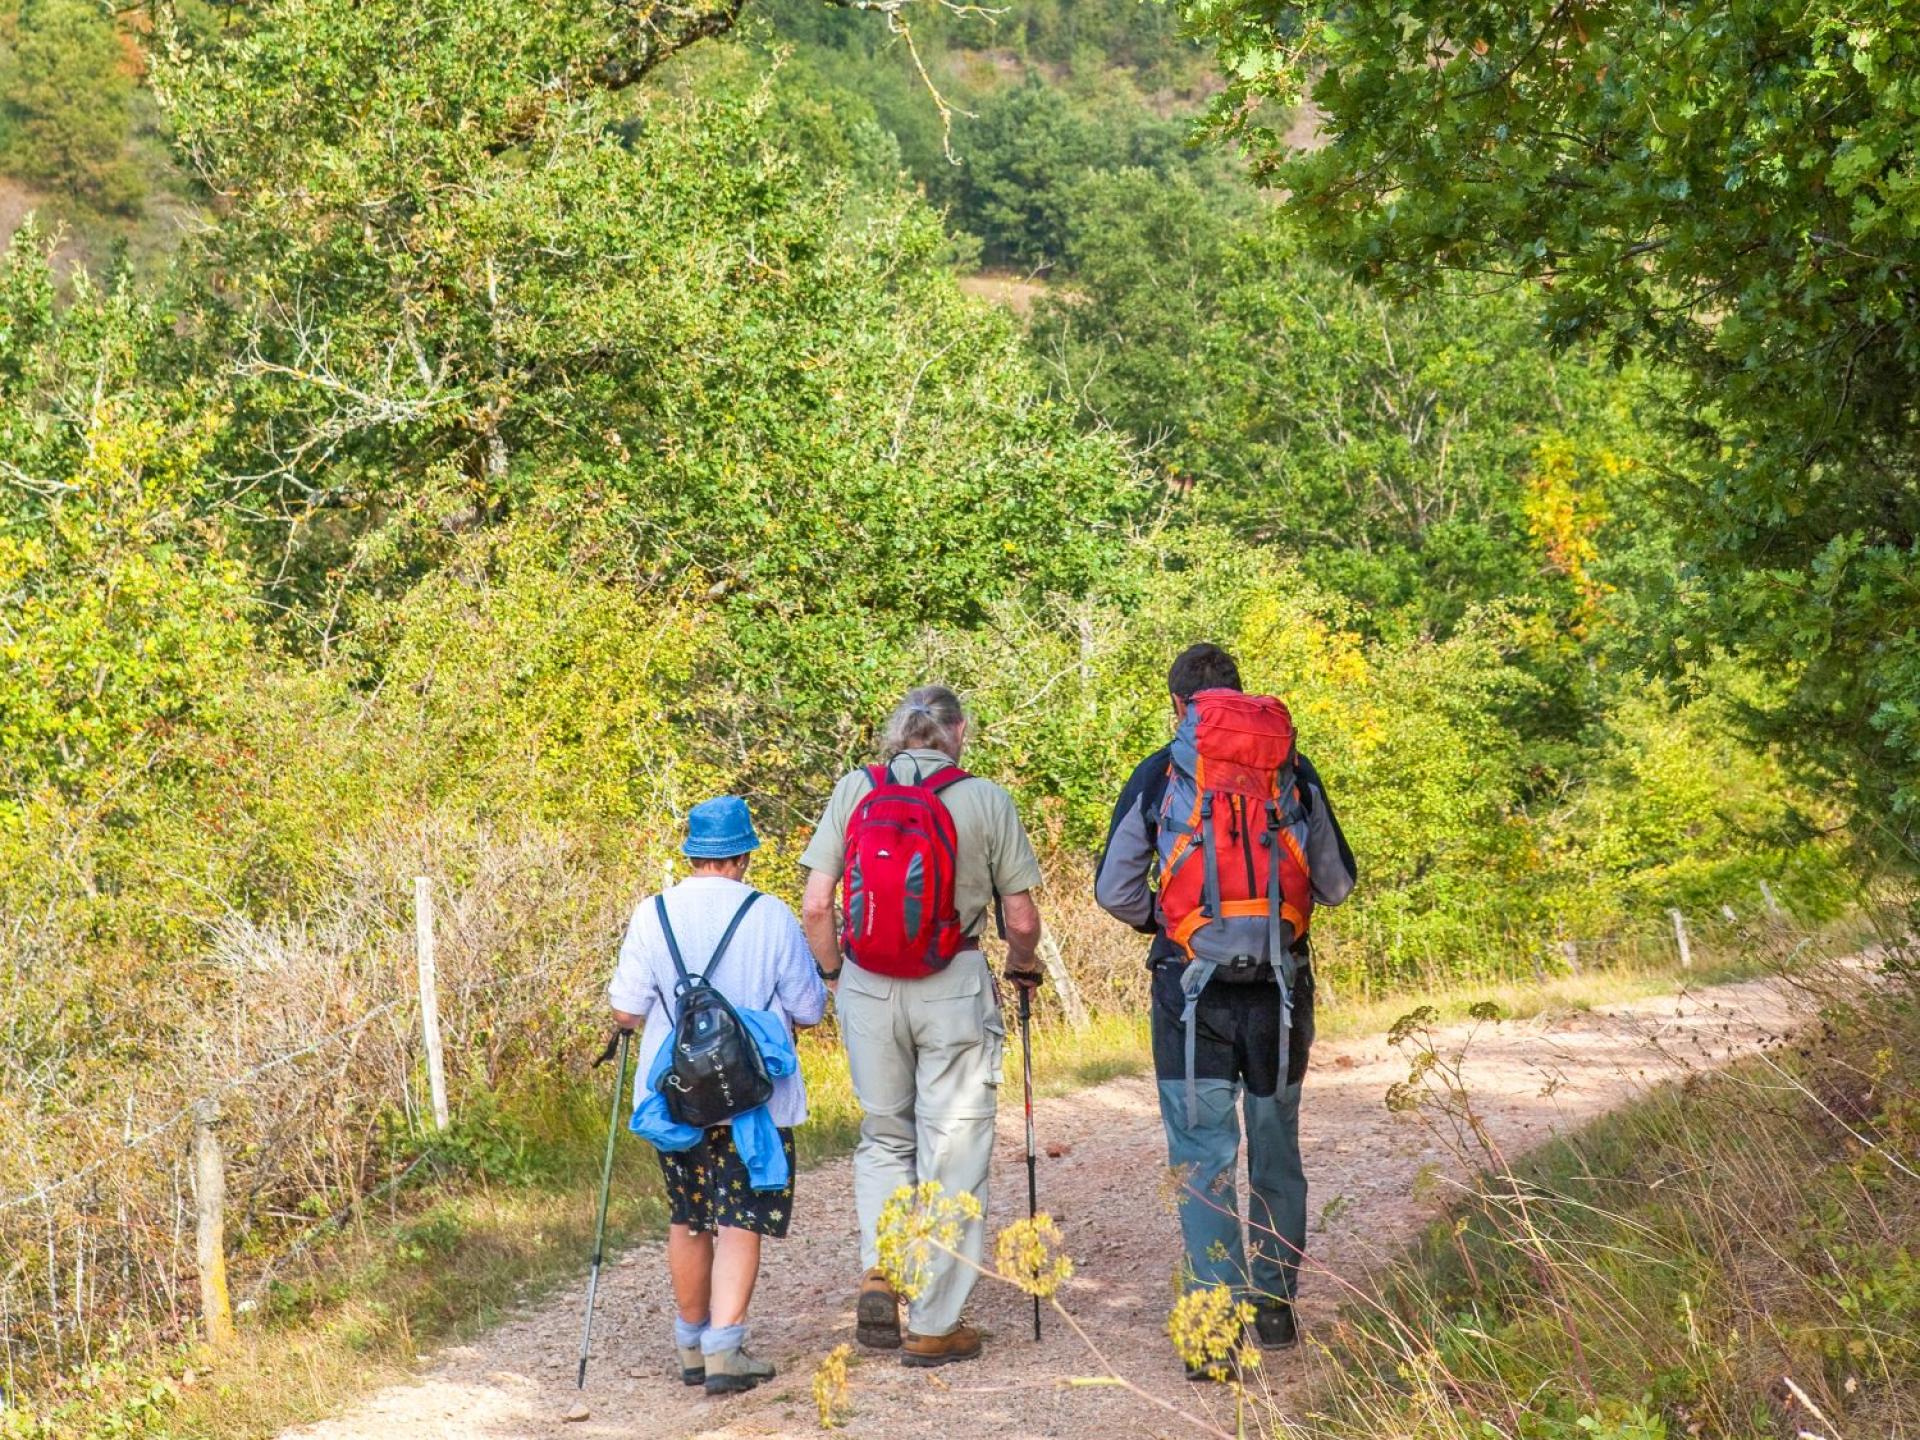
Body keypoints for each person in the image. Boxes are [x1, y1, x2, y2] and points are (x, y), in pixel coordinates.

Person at [1094, 643, 1356, 1376]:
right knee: (1274, 1144)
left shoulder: (1161, 773)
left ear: (1180, 707)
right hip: (1280, 988)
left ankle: (1213, 1334)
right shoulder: (1292, 770)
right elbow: (1335, 884)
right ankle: (1274, 1308)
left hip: (1190, 990)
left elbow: (1114, 889)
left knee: (1202, 1158)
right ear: (1241, 696)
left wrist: (1171, 923)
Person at [799, 685, 1046, 1368]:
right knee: (954, 1147)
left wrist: (832, 975)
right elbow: (1021, 919)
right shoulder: (985, 798)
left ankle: (882, 1269)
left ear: (898, 733)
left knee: (884, 1134)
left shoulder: (856, 788)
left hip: (868, 984)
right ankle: (935, 1324)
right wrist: (1022, 966)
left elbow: (817, 905)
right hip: (953, 981)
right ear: (956, 731)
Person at [608, 795, 828, 1395]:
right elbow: (808, 1008)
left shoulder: (651, 914)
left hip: (677, 1099)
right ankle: (727, 1350)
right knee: (739, 1220)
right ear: (745, 854)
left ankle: (690, 1344)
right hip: (753, 1099)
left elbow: (626, 1010)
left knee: (689, 1216)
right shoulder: (771, 915)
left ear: (692, 852)